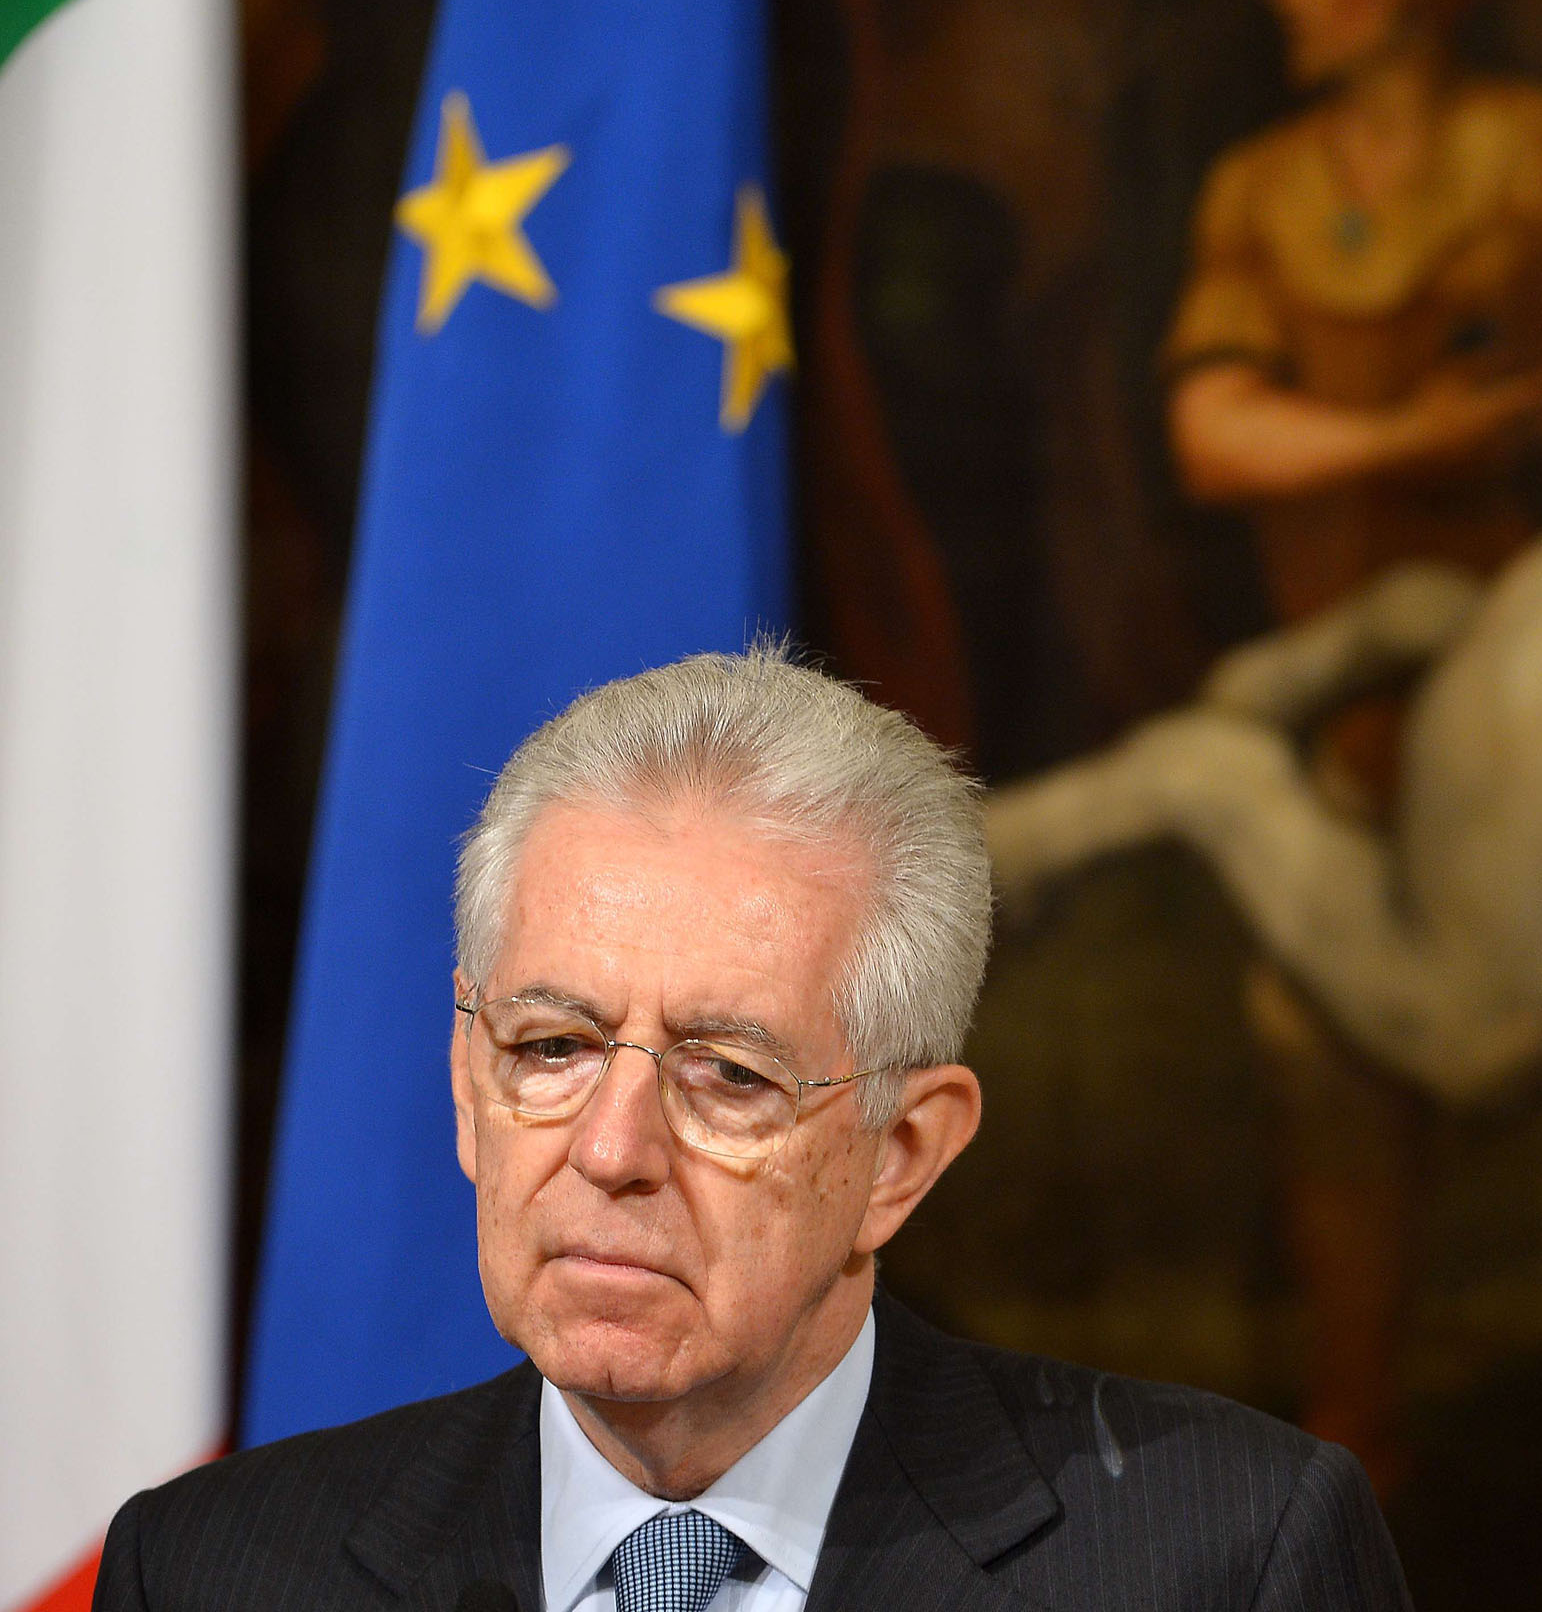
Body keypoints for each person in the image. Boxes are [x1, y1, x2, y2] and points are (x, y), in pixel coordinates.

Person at [96, 648, 1411, 1610]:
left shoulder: (1220, 1561)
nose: (610, 1151)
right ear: (465, 1084)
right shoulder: (215, 1572)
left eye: (726, 1075)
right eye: (550, 1049)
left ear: (902, 1153)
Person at [1162, 0, 1542, 1485]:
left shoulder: (1535, 147)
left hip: (1540, 668)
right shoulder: (1259, 185)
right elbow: (1214, 435)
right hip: (1349, 687)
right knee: (1316, 1034)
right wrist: (1404, 439)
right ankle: (1357, 1422)